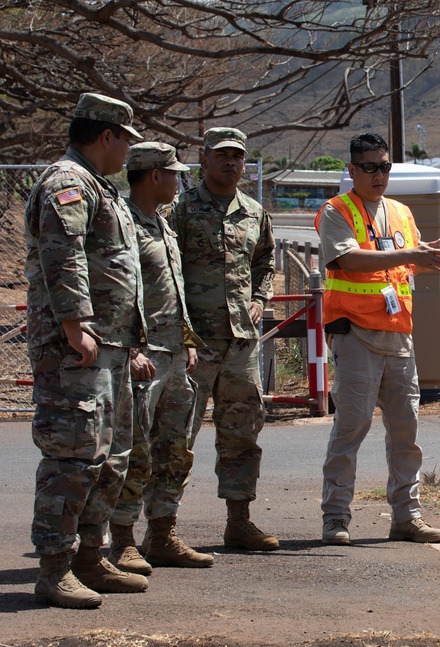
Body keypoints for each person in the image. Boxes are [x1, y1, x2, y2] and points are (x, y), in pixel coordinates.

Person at [316, 132, 440, 546]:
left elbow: (413, 263)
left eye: (384, 166)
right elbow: (348, 258)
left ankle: (407, 516)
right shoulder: (335, 211)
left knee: (406, 431)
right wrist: (411, 255)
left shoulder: (400, 213)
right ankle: (335, 517)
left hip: (399, 337)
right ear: (352, 170)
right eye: (369, 167)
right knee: (351, 428)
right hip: (356, 336)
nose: (379, 174)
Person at [24, 92, 148, 608]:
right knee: (71, 458)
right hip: (76, 350)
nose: (128, 154)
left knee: (108, 459)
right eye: (126, 141)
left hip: (110, 348)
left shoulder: (100, 187)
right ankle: (54, 569)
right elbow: (63, 256)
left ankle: (89, 557)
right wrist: (75, 327)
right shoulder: (68, 183)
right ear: (107, 136)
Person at [108, 142, 215, 574]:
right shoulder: (122, 224)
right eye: (173, 173)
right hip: (143, 356)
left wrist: (187, 341)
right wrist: (132, 348)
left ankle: (162, 533)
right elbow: (117, 293)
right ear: (155, 176)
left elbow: (174, 290)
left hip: (173, 353)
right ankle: (122, 541)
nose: (178, 181)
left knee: (173, 450)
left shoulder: (163, 226)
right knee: (135, 450)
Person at [172, 127, 278, 551]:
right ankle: (163, 527)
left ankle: (239, 521)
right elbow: (166, 269)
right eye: (222, 155)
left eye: (237, 156)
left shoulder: (253, 212)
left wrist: (258, 297)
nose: (230, 163)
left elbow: (266, 259)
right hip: (195, 342)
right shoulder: (180, 209)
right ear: (204, 159)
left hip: (240, 344)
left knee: (241, 434)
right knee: (177, 434)